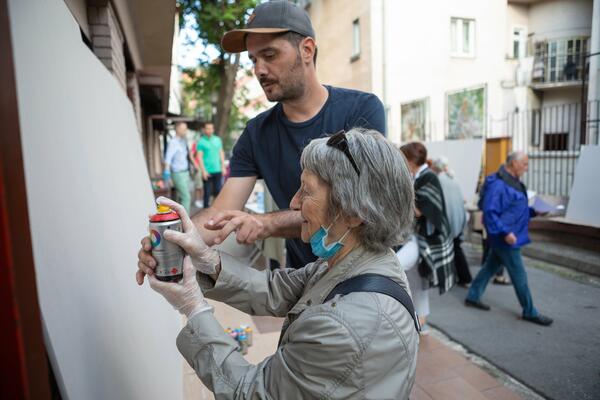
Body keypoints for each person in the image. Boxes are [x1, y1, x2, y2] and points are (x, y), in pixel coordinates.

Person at [137, 129, 419, 399]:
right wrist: (203, 259)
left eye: (306, 191)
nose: (294, 203)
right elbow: (275, 289)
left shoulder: (346, 325)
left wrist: (194, 309)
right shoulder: (358, 261)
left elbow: (252, 393)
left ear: (355, 212)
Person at [138, 1, 385, 271]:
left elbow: (353, 208)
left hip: (365, 277)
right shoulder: (257, 132)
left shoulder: (361, 110)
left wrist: (265, 223)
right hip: (302, 281)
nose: (259, 70)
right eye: (253, 60)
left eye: (270, 55)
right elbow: (220, 213)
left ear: (307, 49)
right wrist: (169, 243)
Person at [465, 151, 553, 326]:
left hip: (508, 236)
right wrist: (506, 233)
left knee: (489, 268)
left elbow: (514, 210)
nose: (526, 168)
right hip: (506, 238)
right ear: (513, 163)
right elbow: (490, 213)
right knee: (519, 275)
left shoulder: (512, 182)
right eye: (525, 164)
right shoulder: (499, 185)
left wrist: (534, 211)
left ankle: (473, 296)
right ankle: (529, 311)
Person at [400, 142, 455, 296]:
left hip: (426, 236)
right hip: (417, 235)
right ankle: (419, 317)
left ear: (410, 160)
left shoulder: (428, 177)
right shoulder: (420, 177)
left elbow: (418, 211)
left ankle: (413, 315)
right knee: (416, 281)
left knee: (397, 267)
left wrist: (400, 194)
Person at [431, 157, 472, 286]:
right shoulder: (453, 180)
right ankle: (465, 278)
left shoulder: (438, 181)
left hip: (446, 223)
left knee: (443, 250)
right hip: (457, 222)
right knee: (456, 249)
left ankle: (443, 279)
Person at [163, 121, 192, 213]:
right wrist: (167, 175)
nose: (185, 131)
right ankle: (186, 221)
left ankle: (179, 220)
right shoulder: (173, 142)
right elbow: (167, 159)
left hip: (185, 173)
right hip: (177, 174)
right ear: (177, 129)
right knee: (186, 197)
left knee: (181, 198)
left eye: (186, 129)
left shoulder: (183, 141)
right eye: (183, 129)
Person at [196, 122, 225, 208]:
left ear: (213, 129)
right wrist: (203, 171)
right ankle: (205, 212)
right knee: (207, 193)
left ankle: (217, 210)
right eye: (207, 128)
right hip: (207, 171)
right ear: (204, 129)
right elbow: (199, 157)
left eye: (211, 128)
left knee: (218, 192)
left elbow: (221, 153)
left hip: (217, 170)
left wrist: (223, 166)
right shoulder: (201, 142)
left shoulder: (217, 140)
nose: (209, 130)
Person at [189, 127, 204, 209]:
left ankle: (202, 200)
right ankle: (197, 200)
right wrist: (196, 165)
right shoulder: (196, 144)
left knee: (203, 185)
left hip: (205, 168)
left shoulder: (205, 143)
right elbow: (191, 155)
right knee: (198, 185)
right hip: (198, 168)